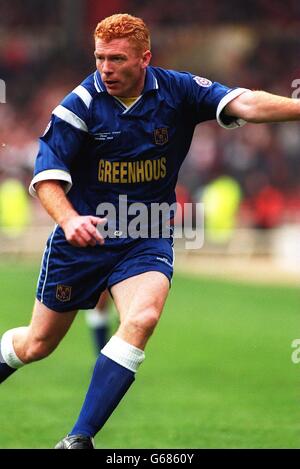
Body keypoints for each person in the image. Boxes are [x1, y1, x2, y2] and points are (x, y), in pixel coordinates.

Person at [0, 13, 300, 449]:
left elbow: (247, 104)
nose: (105, 68)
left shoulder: (178, 90)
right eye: (100, 58)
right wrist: (69, 220)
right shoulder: (79, 105)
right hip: (83, 237)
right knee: (37, 344)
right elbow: (47, 176)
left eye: (117, 59)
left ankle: (78, 439)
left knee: (142, 317)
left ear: (145, 58)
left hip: (146, 234)